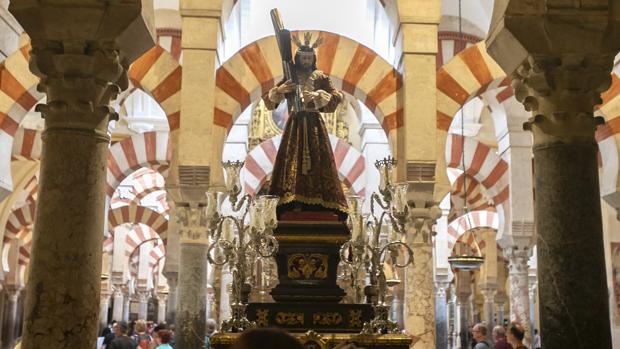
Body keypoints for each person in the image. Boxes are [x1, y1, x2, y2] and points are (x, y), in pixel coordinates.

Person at [264, 32, 348, 219]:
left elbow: (337, 97)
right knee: (290, 160)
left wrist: (319, 95)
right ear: (298, 58)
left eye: (310, 58)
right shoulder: (290, 75)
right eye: (304, 58)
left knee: (319, 160)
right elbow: (269, 101)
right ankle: (292, 199)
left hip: (314, 123)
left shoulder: (320, 77)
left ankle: (321, 201)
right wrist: (280, 90)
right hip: (294, 124)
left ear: (314, 59)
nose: (307, 61)